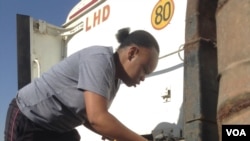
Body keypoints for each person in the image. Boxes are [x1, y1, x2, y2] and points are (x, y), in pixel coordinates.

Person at [4, 27, 160, 141]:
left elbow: (88, 118)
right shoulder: (99, 59)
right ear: (132, 53)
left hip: (57, 129)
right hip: (28, 119)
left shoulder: (115, 80)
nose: (143, 78)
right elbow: (97, 118)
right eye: (144, 70)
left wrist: (114, 136)